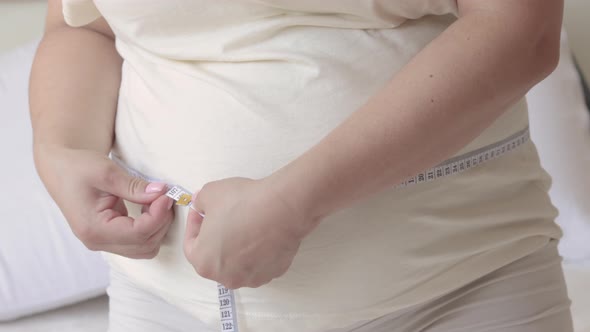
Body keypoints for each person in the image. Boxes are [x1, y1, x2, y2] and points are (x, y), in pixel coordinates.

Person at [30, 0, 573, 331]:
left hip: (457, 289)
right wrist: (60, 148)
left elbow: (521, 30)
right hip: (165, 302)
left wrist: (297, 201)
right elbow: (82, 25)